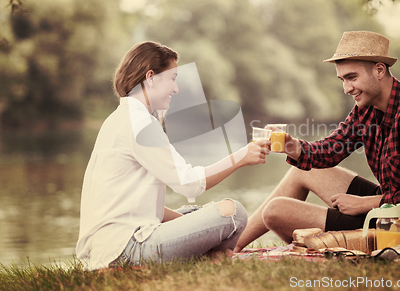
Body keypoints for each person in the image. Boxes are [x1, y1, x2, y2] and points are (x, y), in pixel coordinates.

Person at [234, 31, 400, 251]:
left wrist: (363, 204)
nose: (347, 89)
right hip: (386, 206)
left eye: (352, 77)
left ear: (379, 70)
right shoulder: (366, 109)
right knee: (301, 171)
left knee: (275, 211)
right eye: (343, 80)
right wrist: (293, 146)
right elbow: (330, 150)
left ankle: (322, 248)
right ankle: (231, 248)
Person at [76, 41, 270, 270]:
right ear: (151, 77)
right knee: (233, 213)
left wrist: (195, 222)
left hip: (112, 246)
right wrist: (241, 157)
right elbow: (190, 184)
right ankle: (207, 255)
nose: (176, 89)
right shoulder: (140, 124)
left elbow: (134, 205)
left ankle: (206, 255)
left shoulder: (121, 118)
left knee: (196, 213)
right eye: (173, 78)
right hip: (126, 250)